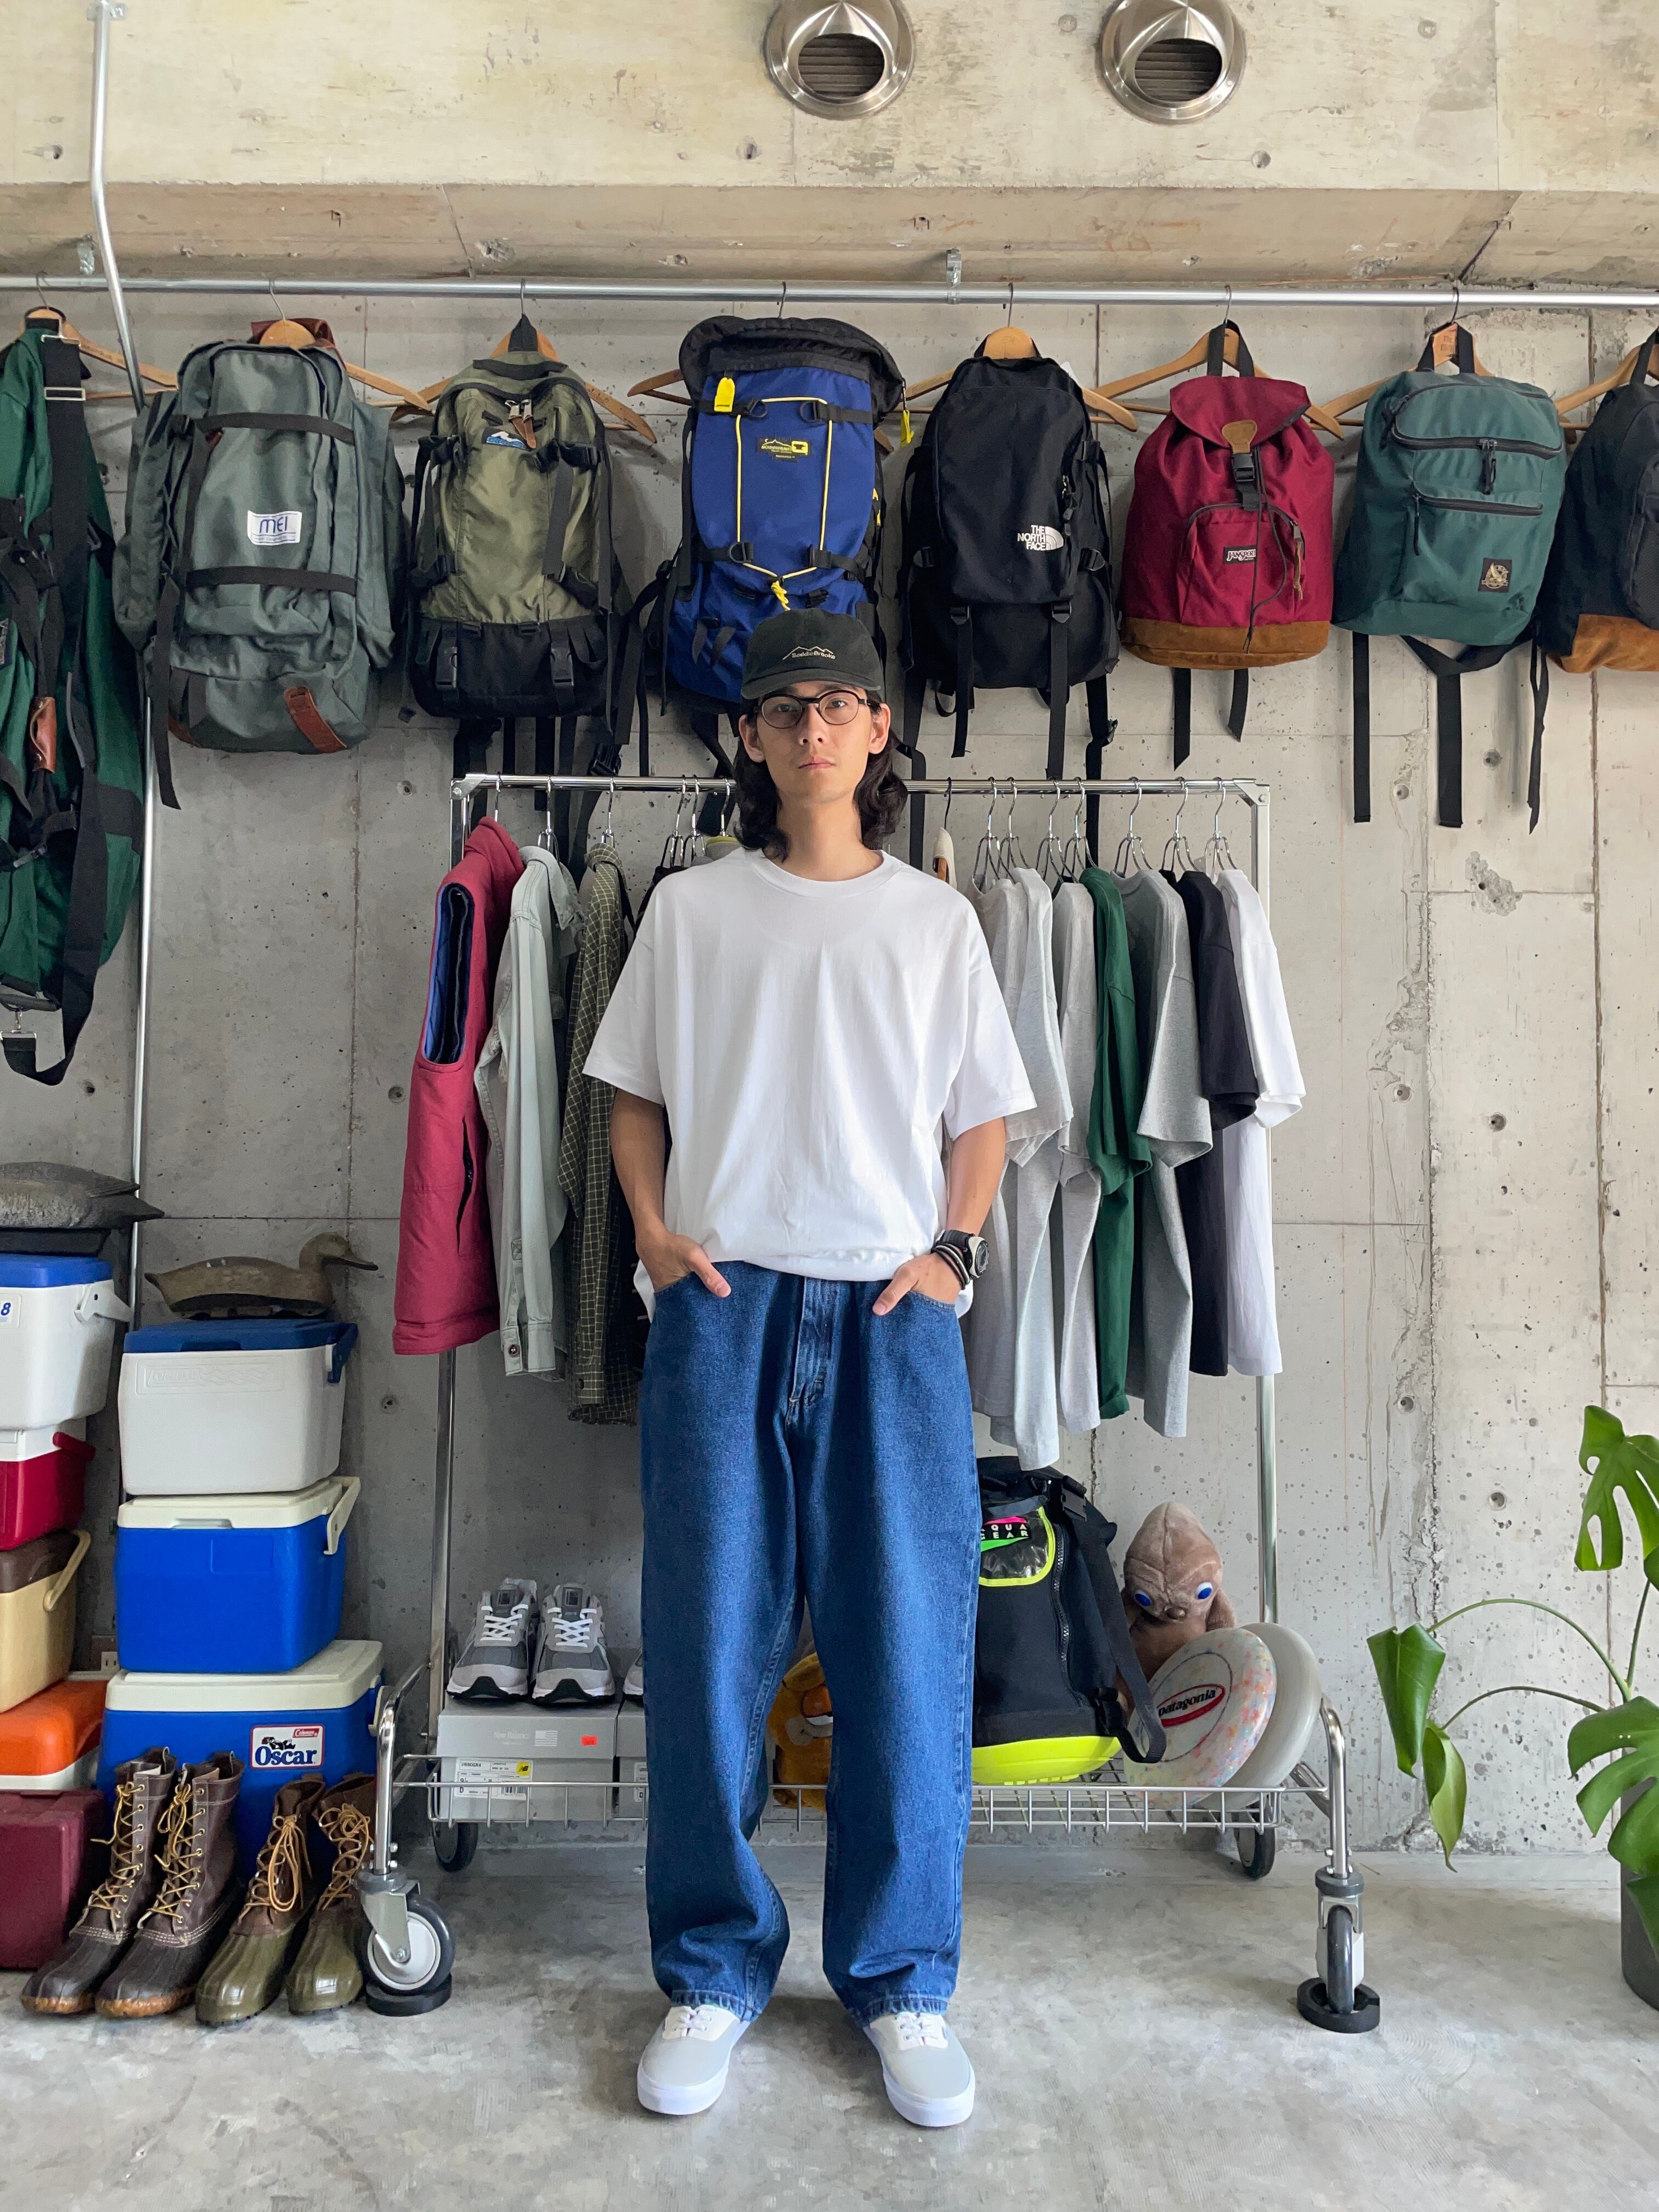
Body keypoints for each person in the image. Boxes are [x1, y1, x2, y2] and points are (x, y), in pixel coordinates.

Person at [583, 608, 1034, 2128]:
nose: (816, 728)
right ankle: (713, 1972)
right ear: (752, 737)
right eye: (787, 709)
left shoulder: (935, 921)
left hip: (891, 1315)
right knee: (710, 1643)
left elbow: (984, 1116)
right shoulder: (692, 910)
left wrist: (954, 1252)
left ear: (881, 727)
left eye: (841, 704)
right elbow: (631, 1093)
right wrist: (654, 1236)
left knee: (904, 1649)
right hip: (725, 1304)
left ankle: (902, 1982)